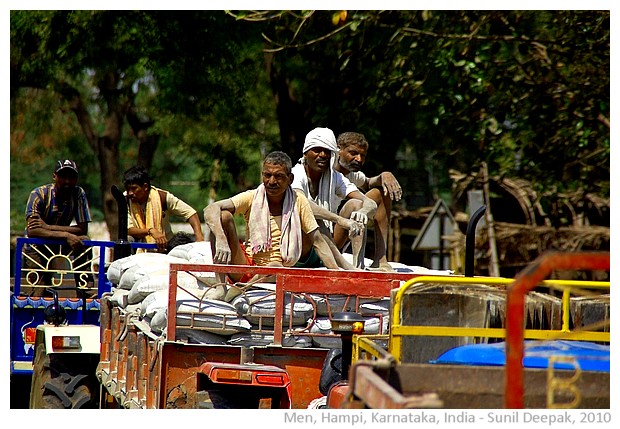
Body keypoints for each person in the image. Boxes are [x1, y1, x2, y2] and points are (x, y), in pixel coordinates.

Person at [203, 151, 342, 284]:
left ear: (290, 179)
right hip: (247, 266)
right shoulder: (252, 196)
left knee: (275, 265)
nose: (271, 181)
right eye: (267, 175)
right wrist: (221, 240)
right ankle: (221, 286)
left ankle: (245, 289)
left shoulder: (298, 200)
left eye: (279, 176)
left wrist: (336, 274)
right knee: (223, 216)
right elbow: (210, 209)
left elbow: (318, 241)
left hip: (282, 270)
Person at [291, 127, 377, 269]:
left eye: (327, 151)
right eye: (317, 150)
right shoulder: (296, 174)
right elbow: (303, 204)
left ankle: (358, 264)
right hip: (299, 249)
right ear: (306, 153)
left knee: (355, 204)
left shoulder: (334, 177)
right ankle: (344, 267)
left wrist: (362, 212)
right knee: (315, 217)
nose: (323, 155)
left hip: (329, 246)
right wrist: (340, 220)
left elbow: (370, 203)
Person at [334, 131, 402, 271]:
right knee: (355, 204)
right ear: (338, 150)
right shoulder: (325, 172)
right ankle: (357, 266)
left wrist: (385, 175)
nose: (358, 159)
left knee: (381, 192)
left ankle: (380, 259)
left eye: (362, 155)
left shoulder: (351, 175)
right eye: (353, 153)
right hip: (319, 236)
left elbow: (367, 183)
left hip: (339, 233)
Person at [25, 159, 93, 286]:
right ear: (54, 176)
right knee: (38, 292)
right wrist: (66, 235)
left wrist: (47, 227)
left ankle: (85, 289)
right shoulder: (39, 194)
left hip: (61, 243)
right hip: (37, 245)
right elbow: (33, 230)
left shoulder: (78, 193)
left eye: (71, 177)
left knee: (84, 240)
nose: (67, 181)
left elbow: (82, 228)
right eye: (63, 177)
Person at [123, 165, 204, 253]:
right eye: (128, 189)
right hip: (138, 248)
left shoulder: (162, 197)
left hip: (165, 247)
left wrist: (199, 238)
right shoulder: (124, 200)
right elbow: (128, 229)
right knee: (127, 239)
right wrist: (151, 231)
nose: (130, 193)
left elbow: (190, 213)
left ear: (145, 187)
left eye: (134, 188)